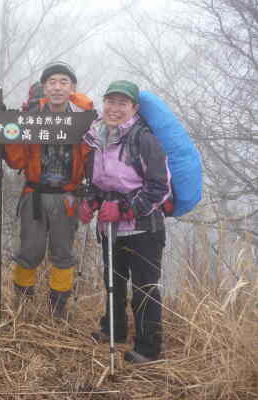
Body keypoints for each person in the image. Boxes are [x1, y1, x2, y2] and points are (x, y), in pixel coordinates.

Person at [79, 80, 171, 363]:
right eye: (111, 101)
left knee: (144, 287)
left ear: (134, 108)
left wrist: (124, 210)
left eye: (122, 103)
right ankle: (114, 329)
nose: (114, 108)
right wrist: (91, 201)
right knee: (114, 281)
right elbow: (98, 181)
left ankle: (148, 348)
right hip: (110, 227)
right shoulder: (97, 137)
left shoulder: (144, 139)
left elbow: (159, 187)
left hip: (144, 229)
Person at [4, 61, 94, 320]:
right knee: (29, 251)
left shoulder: (83, 120)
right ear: (44, 87)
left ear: (72, 88)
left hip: (68, 196)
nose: (57, 88)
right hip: (35, 195)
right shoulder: (31, 117)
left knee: (63, 253)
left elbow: (91, 157)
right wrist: (12, 131)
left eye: (63, 82)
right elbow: (16, 162)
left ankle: (58, 312)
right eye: (52, 82)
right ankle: (23, 307)